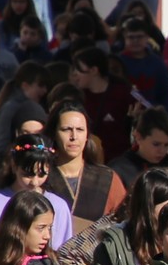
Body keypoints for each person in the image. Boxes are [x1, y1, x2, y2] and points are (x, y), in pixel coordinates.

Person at [0, 133, 75, 250]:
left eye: (41, 175)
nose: (34, 182)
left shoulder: (59, 206)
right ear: (14, 166)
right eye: (27, 175)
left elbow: (65, 251)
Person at [45, 97, 128, 236]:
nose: (74, 136)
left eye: (80, 130)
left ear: (87, 135)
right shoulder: (41, 176)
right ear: (54, 133)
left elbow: (124, 223)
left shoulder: (107, 178)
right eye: (66, 129)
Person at [109, 107, 168, 192]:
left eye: (167, 145)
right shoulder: (119, 169)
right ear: (138, 137)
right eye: (156, 144)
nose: (162, 151)